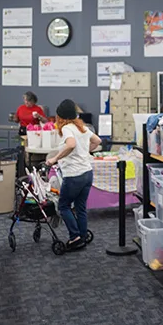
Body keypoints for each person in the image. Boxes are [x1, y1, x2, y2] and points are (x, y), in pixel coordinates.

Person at [46, 99, 101, 251]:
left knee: (63, 206)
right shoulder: (81, 127)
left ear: (60, 117)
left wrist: (55, 158)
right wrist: (84, 152)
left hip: (74, 175)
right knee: (81, 207)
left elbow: (70, 144)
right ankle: (82, 236)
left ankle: (75, 237)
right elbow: (97, 140)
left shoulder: (67, 129)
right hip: (87, 173)